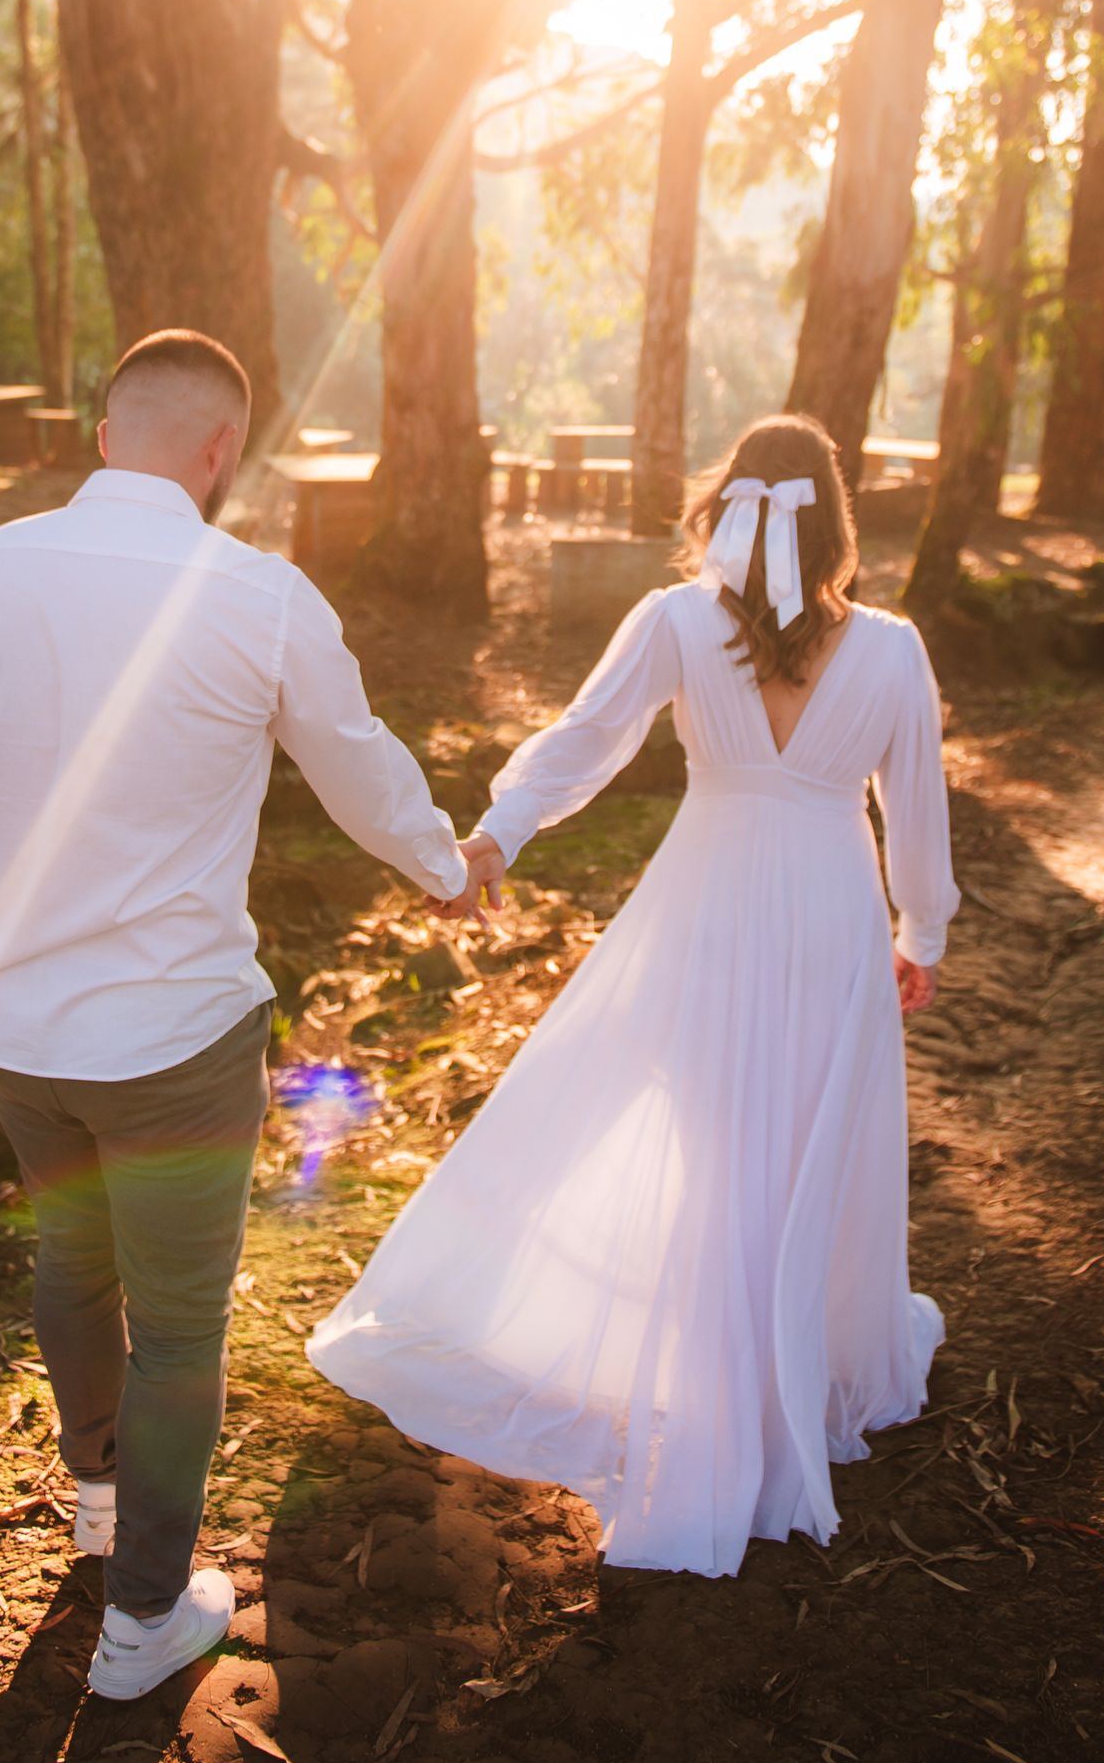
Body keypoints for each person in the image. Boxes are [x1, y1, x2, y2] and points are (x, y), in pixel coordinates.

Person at [0, 330, 475, 1698]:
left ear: (99, 434)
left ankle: (95, 1496)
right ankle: (144, 1617)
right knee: (184, 1328)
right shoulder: (261, 598)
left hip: (19, 1028)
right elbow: (361, 772)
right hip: (180, 1039)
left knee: (71, 1268)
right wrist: (445, 868)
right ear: (221, 454)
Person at [309, 412, 957, 1579]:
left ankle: (715, 1387)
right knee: (814, 1135)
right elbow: (915, 808)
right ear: (836, 526)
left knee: (716, 1136)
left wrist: (499, 834)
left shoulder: (674, 622)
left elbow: (586, 739)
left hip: (708, 899)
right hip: (829, 912)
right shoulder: (896, 650)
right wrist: (923, 929)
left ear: (726, 507)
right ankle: (786, 1377)